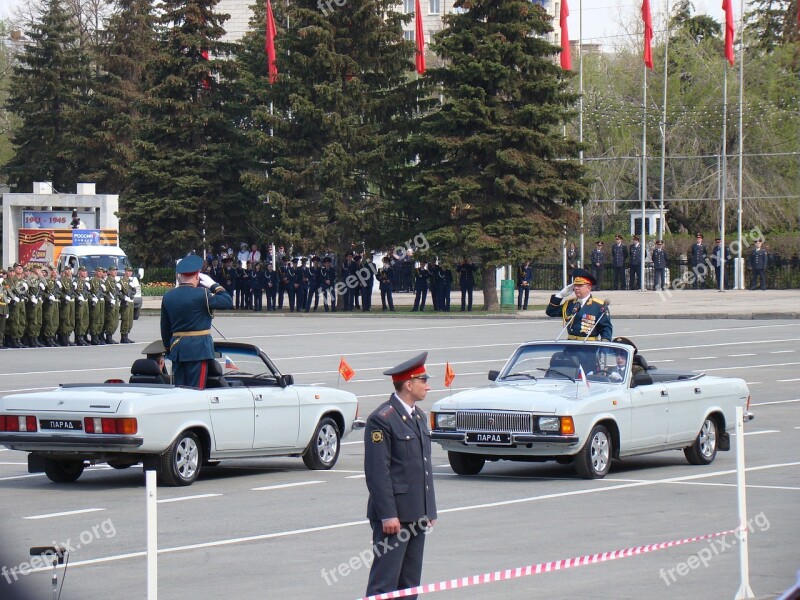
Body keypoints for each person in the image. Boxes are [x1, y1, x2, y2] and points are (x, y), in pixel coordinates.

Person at [364, 352, 437, 599]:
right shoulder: (382, 419)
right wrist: (388, 514)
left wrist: (430, 511)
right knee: (385, 583)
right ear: (409, 384)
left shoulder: (418, 416)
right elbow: (377, 472)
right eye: (423, 380)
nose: (427, 385)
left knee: (410, 584)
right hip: (394, 517)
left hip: (416, 513)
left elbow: (423, 467)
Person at [160, 255, 233, 388]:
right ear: (198, 276)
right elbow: (227, 301)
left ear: (179, 276)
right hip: (199, 350)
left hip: (177, 350)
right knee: (196, 391)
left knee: (179, 389)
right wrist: (213, 285)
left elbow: (165, 328)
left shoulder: (168, 296)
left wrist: (168, 349)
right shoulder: (203, 294)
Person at [545, 268, 612, 341]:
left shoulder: (599, 305)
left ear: (589, 288)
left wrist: (605, 343)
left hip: (589, 347)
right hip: (571, 346)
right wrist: (560, 295)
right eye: (575, 285)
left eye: (580, 286)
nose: (576, 288)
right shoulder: (569, 304)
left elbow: (605, 327)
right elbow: (550, 312)